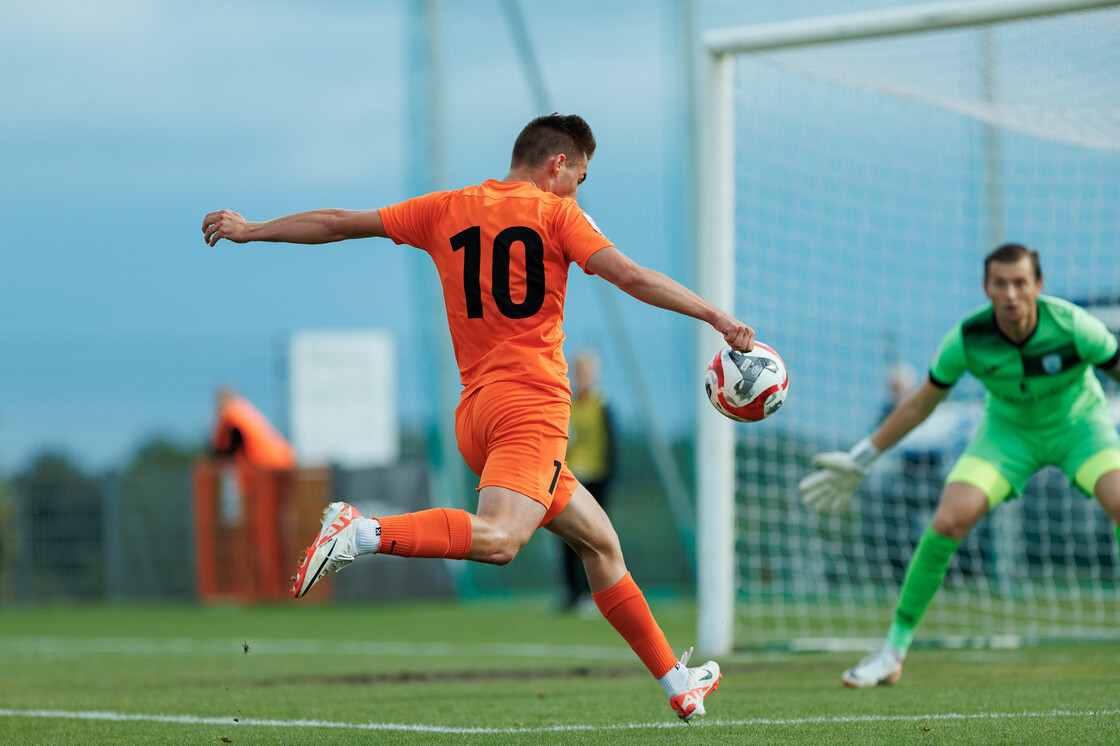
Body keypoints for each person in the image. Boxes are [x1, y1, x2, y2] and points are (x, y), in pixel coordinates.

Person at [202, 114, 754, 722]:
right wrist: (717, 318)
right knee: (500, 541)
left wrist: (251, 229)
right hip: (531, 409)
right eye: (580, 176)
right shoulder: (557, 214)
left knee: (601, 545)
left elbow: (337, 224)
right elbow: (630, 275)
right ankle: (359, 532)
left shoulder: (445, 208)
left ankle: (678, 682)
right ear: (556, 166)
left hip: (475, 415)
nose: (579, 190)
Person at [798, 243, 1120, 688]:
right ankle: (892, 652)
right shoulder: (970, 337)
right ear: (987, 287)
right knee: (947, 521)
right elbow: (919, 404)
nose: (1011, 293)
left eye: (1021, 282)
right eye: (1001, 283)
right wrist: (861, 459)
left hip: (1080, 428)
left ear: (1038, 286)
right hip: (1007, 435)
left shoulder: (1074, 325)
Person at [560, 349, 616, 612]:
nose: (582, 375)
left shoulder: (602, 405)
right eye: (578, 370)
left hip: (596, 479)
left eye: (587, 370)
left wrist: (608, 480)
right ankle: (574, 594)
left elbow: (611, 446)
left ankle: (597, 595)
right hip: (570, 478)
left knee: (595, 540)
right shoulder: (565, 404)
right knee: (567, 538)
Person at [210, 385, 295, 495]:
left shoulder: (230, 412)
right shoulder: (243, 409)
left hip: (265, 466)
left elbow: (222, 446)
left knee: (262, 508)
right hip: (284, 459)